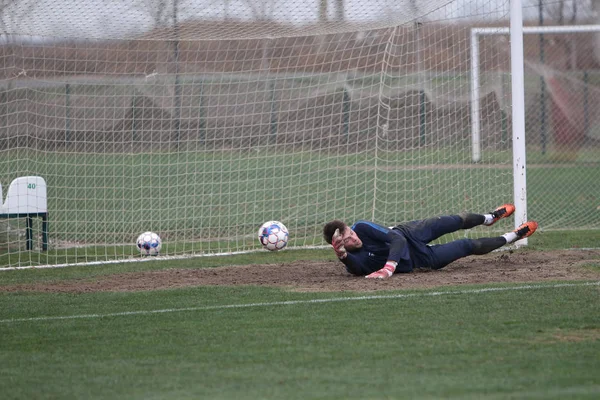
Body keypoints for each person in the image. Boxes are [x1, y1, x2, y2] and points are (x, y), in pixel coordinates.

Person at [322, 204, 538, 279]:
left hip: (410, 233)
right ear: (339, 246)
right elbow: (356, 267)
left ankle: (489, 218)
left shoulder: (361, 227)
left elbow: (396, 238)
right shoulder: (353, 262)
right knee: (466, 246)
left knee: (456, 221)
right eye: (347, 241)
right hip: (420, 260)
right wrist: (343, 256)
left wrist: (389, 268)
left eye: (350, 232)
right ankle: (513, 236)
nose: (353, 237)